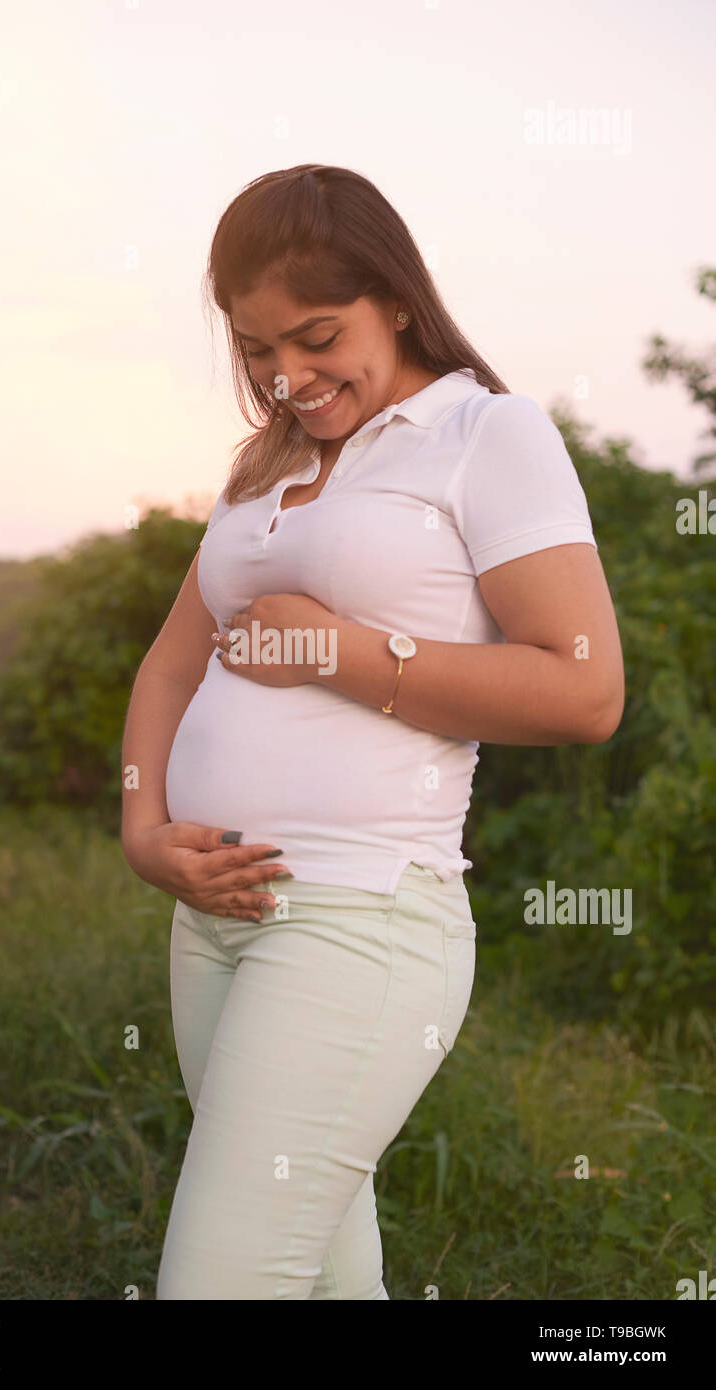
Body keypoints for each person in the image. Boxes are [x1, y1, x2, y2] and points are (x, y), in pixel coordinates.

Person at [120, 164, 625, 1299]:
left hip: (358, 922)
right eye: (256, 350)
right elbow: (168, 664)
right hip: (214, 920)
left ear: (395, 298)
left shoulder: (486, 434)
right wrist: (142, 827)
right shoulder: (268, 465)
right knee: (329, 1276)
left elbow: (585, 691)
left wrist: (339, 650)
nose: (287, 377)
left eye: (315, 337)